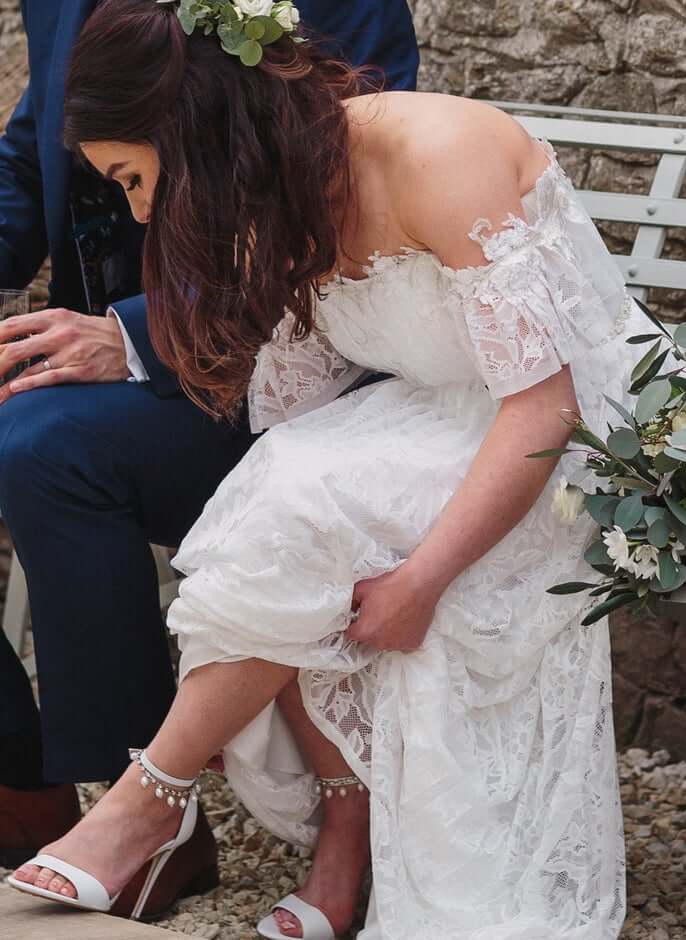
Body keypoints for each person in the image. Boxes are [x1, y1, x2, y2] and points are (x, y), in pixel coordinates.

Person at [11, 0, 636, 936]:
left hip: (567, 420)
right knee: (283, 495)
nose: (140, 214)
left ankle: (152, 799)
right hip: (427, 408)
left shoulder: (436, 156)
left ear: (193, 131)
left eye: (137, 179)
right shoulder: (277, 199)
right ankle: (307, 832)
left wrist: (422, 578)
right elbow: (290, 414)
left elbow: (548, 402)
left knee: (305, 500)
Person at [0, 0, 418, 915]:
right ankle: (35, 776)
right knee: (32, 438)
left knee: (39, 447)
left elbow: (343, 189)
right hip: (108, 355)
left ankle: (146, 800)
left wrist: (141, 335)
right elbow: (31, 161)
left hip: (288, 364)